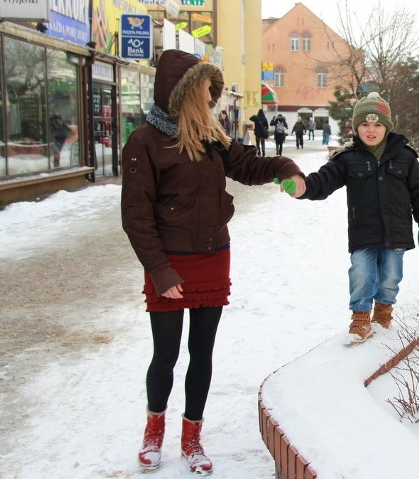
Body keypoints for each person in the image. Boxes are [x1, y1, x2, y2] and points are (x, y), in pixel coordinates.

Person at [121, 49, 305, 476]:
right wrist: (160, 271)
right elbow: (136, 217)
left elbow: (250, 166)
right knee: (165, 354)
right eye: (206, 87)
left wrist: (288, 169)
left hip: (212, 258)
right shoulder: (145, 142)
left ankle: (192, 436)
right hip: (169, 262)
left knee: (201, 352)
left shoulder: (213, 137)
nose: (212, 95)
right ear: (184, 90)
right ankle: (154, 431)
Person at [296, 92, 419, 343]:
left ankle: (383, 313)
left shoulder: (405, 156)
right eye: (365, 124)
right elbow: (323, 181)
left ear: (387, 127)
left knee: (391, 275)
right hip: (363, 231)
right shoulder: (347, 159)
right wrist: (302, 187)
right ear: (356, 126)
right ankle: (360, 318)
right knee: (361, 272)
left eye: (378, 124)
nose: (371, 130)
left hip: (397, 230)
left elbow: (418, 192)